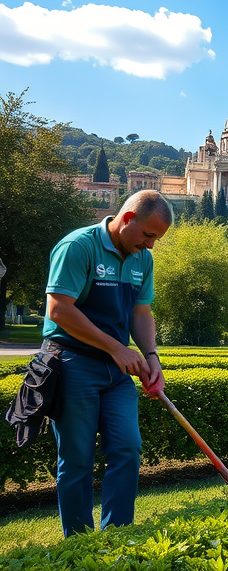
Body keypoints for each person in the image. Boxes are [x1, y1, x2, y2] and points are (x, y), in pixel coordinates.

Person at [41, 190, 172, 537]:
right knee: (77, 459)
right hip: (72, 362)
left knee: (127, 448)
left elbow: (140, 313)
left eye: (156, 239)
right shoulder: (78, 246)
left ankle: (117, 536)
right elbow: (59, 310)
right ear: (127, 218)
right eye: (148, 235)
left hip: (116, 371)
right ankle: (79, 544)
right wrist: (117, 348)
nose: (150, 245)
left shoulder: (142, 259)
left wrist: (151, 357)